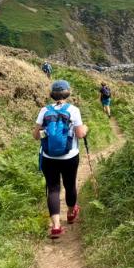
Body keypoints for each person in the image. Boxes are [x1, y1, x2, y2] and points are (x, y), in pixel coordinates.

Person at [33, 79, 88, 239]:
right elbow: (79, 134)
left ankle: (56, 226)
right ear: (67, 93)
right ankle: (71, 214)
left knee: (53, 188)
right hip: (69, 156)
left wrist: (44, 131)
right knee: (70, 185)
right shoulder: (73, 110)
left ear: (52, 94)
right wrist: (85, 128)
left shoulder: (44, 111)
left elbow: (36, 136)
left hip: (48, 156)